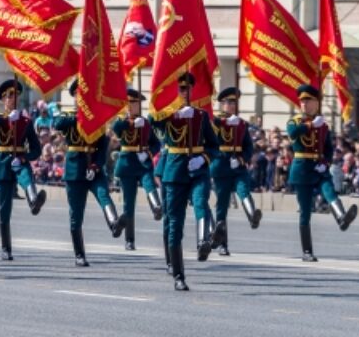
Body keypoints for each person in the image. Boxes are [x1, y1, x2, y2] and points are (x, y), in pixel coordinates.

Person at [153, 72, 223, 291]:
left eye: (187, 89)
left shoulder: (201, 116)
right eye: (180, 89)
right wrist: (170, 109)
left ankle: (204, 241)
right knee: (175, 224)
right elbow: (154, 122)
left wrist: (203, 158)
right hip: (174, 173)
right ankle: (178, 275)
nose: (184, 93)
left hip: (198, 171)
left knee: (201, 202)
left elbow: (214, 145)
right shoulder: (166, 116)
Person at [54, 79, 126, 268]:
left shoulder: (98, 117)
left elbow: (103, 146)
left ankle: (114, 223)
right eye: (79, 94)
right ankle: (79, 254)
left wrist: (96, 166)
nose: (82, 97)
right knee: (76, 215)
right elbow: (58, 123)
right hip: (75, 170)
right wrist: (79, 117)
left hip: (93, 166)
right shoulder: (69, 115)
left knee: (103, 194)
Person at [286, 84, 358, 262]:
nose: (304, 104)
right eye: (302, 101)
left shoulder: (323, 126)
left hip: (318, 166)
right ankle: (307, 251)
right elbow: (293, 133)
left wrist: (325, 162)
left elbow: (328, 149)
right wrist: (310, 125)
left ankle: (341, 217)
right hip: (302, 167)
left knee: (330, 191)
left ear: (316, 103)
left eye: (308, 100)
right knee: (305, 211)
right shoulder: (295, 121)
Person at [0, 79, 44, 260]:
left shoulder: (25, 121)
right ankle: (5, 248)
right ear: (3, 100)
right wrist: (7, 119)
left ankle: (34, 200)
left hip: (19, 158)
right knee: (4, 207)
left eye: (15, 95)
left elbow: (36, 149)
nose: (12, 99)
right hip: (1, 162)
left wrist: (25, 157)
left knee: (25, 174)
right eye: (8, 96)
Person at [210, 86, 261, 256]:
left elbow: (248, 146)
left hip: (238, 166)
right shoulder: (215, 122)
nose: (231, 105)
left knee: (243, 190)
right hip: (221, 166)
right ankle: (223, 244)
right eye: (228, 102)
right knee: (222, 207)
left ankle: (252, 215)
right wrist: (222, 123)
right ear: (222, 104)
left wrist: (241, 158)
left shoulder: (242, 124)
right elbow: (211, 141)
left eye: (234, 102)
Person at [112, 87, 163, 251]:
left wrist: (148, 153)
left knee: (149, 183)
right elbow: (116, 128)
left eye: (133, 103)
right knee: (129, 204)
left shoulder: (146, 123)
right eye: (128, 103)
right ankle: (129, 239)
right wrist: (130, 122)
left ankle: (156, 207)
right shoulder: (122, 120)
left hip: (142, 162)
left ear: (139, 105)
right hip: (127, 163)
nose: (130, 106)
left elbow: (156, 144)